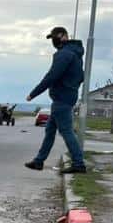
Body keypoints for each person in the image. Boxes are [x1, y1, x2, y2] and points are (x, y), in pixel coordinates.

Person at [24, 26, 86, 174]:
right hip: (66, 95)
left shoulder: (64, 54)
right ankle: (39, 161)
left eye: (55, 37)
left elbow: (52, 76)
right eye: (52, 38)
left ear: (64, 36)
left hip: (62, 98)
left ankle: (79, 163)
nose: (53, 40)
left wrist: (33, 93)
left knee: (66, 131)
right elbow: (80, 77)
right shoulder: (74, 53)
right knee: (50, 130)